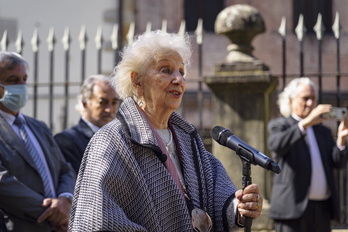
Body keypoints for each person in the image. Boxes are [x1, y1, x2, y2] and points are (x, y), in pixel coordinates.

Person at [68, 30, 263, 232]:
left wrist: (239, 207)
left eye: (181, 72)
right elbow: (97, 218)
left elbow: (217, 193)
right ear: (137, 81)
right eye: (166, 70)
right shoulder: (111, 140)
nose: (178, 79)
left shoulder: (187, 137)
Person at [0, 51, 76, 232]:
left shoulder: (38, 127)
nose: (21, 85)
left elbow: (65, 169)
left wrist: (65, 200)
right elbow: (3, 182)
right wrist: (52, 212)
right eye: (12, 80)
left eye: (24, 79)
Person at [268, 77, 348, 232]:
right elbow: (276, 145)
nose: (311, 103)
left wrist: (341, 140)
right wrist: (304, 124)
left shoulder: (323, 131)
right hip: (292, 211)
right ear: (291, 101)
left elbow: (337, 163)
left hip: (321, 210)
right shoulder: (280, 125)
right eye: (305, 98)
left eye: (313, 99)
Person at [54, 75, 119, 173]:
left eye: (114, 103)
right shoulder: (67, 141)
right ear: (85, 103)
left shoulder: (121, 139)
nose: (109, 109)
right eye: (102, 102)